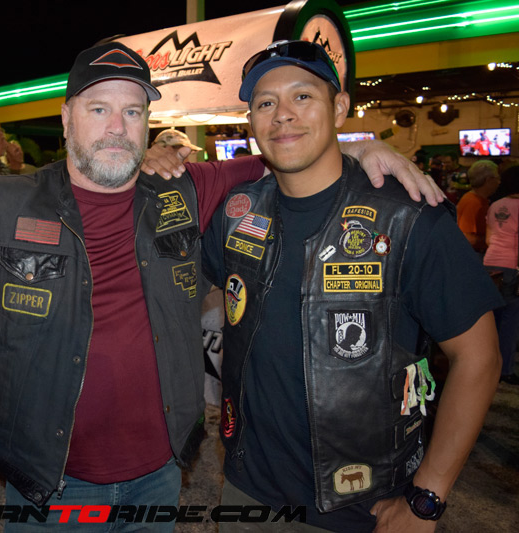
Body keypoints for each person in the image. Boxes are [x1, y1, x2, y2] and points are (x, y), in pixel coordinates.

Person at [0, 41, 442, 531]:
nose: (116, 127)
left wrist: (367, 149)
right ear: (66, 119)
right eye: (98, 108)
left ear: (149, 123)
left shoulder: (186, 191)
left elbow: (292, 153)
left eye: (133, 110)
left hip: (160, 479)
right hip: (48, 489)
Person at [201, 40, 502, 532]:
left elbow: (480, 358)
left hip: (363, 506)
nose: (282, 115)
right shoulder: (236, 214)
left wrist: (427, 497)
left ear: (339, 108)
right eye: (265, 103)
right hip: (247, 489)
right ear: (251, 120)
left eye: (302, 96)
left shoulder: (409, 218)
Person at [484, 169, 519, 385]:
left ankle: (488, 366)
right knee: (510, 322)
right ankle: (504, 370)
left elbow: (489, 239)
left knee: (492, 320)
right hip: (512, 267)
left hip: (489, 264)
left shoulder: (495, 205)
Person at [457, 160, 500, 253]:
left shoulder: (475, 199)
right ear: (488, 180)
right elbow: (468, 238)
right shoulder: (473, 203)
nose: (499, 182)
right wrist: (495, 238)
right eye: (497, 178)